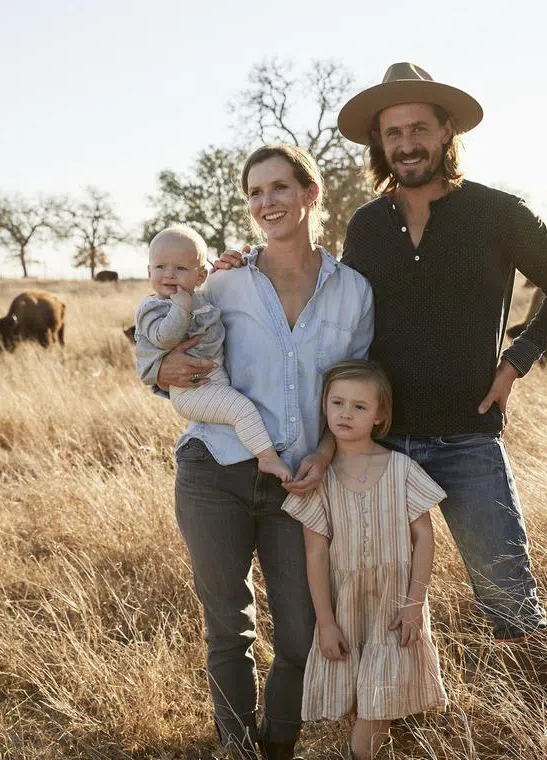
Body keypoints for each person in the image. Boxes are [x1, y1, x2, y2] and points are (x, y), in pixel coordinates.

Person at [336, 62, 547, 731]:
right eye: (394, 132)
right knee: (385, 597)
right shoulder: (365, 226)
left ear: (446, 131)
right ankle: (405, 724)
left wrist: (516, 362)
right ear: (380, 145)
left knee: (507, 590)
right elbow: (341, 320)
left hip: (467, 437)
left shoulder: (497, 212)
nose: (407, 141)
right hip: (384, 446)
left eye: (420, 126)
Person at [138, 144, 374, 760]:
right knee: (228, 627)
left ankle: (278, 743)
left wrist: (325, 453)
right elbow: (164, 341)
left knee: (298, 633)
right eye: (254, 192)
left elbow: (355, 389)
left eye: (278, 188)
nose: (266, 202)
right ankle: (239, 749)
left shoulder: (352, 292)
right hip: (213, 471)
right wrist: (162, 367)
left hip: (298, 479)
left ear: (310, 194)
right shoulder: (223, 281)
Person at [282, 361, 447, 760]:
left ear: (380, 415)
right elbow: (316, 552)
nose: (345, 413)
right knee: (365, 701)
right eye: (336, 402)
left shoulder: (401, 468)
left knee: (381, 697)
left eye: (359, 406)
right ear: (324, 407)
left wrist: (414, 605)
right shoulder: (319, 478)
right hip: (347, 605)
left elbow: (425, 537)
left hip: (395, 606)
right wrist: (325, 622)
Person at [134, 224, 292, 483]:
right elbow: (164, 337)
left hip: (211, 378)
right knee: (241, 410)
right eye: (160, 267)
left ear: (200, 276)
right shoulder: (153, 307)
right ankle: (267, 458)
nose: (169, 275)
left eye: (181, 268)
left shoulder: (196, 297)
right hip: (192, 391)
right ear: (149, 271)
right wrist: (181, 310)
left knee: (239, 406)